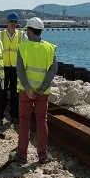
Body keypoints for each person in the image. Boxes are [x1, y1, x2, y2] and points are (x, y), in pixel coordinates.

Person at [15, 17, 58, 163]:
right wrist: (43, 87)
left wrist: (28, 89)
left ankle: (22, 154)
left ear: (31, 31)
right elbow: (53, 69)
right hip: (42, 93)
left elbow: (20, 71)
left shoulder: (23, 47)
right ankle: (42, 155)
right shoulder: (49, 48)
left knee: (24, 121)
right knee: (41, 122)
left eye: (27, 30)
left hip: (25, 92)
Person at [0, 12, 24, 122]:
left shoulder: (21, 35)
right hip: (4, 67)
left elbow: (27, 49)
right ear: (7, 22)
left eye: (15, 21)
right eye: (11, 21)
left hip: (15, 68)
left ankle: (14, 114)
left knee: (14, 92)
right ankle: (0, 114)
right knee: (2, 91)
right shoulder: (0, 35)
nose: (13, 23)